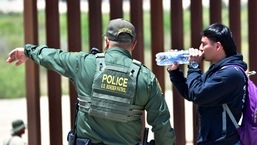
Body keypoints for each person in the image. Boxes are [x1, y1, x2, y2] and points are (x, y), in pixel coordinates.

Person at [6, 18, 175, 145]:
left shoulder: (85, 63)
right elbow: (162, 126)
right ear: (134, 44)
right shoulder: (145, 77)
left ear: (106, 41)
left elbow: (55, 57)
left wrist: (28, 51)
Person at [167, 23, 246, 145]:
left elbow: (197, 94)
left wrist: (194, 66)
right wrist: (175, 72)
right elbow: (191, 93)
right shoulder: (218, 70)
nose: (200, 48)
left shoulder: (230, 74)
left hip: (224, 141)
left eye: (204, 44)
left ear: (218, 46)